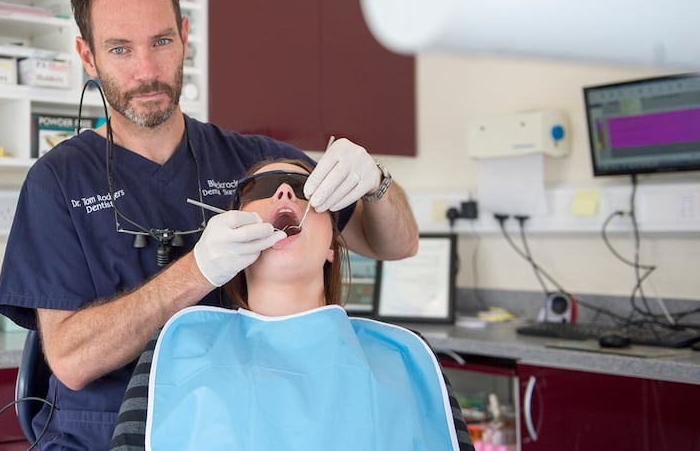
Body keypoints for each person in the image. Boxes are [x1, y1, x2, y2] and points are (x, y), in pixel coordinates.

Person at [0, 0, 420, 450]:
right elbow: (71, 360)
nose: (147, 70)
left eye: (161, 41)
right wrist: (198, 270)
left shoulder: (260, 164)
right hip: (100, 436)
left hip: (237, 428)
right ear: (87, 55)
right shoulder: (58, 181)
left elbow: (396, 244)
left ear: (185, 37)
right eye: (121, 49)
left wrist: (377, 183)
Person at [109, 159, 475, 451]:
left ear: (333, 243)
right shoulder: (178, 346)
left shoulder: (404, 355)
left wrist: (378, 178)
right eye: (260, 189)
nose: (285, 191)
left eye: (304, 189)